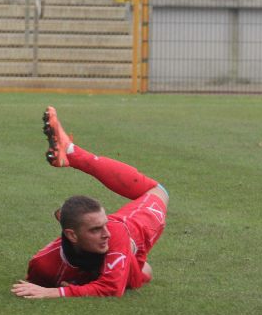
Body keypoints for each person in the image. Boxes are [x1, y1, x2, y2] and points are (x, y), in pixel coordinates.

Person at [11, 107, 169, 299]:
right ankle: (70, 152)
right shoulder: (42, 264)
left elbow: (111, 288)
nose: (106, 233)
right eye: (95, 229)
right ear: (71, 235)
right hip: (120, 255)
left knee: (158, 191)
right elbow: (34, 283)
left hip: (134, 230)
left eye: (103, 225)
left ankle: (71, 152)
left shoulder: (114, 232)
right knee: (145, 272)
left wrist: (56, 292)